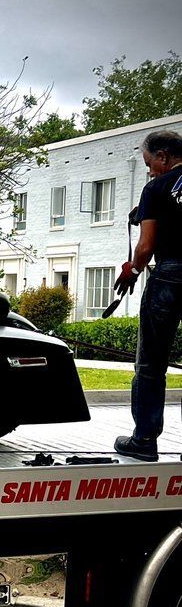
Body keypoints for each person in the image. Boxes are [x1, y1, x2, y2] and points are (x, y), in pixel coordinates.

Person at [114, 130, 182, 462]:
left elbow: (147, 244)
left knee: (151, 363)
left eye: (150, 163)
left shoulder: (155, 188)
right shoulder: (156, 191)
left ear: (164, 156)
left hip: (171, 274)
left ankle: (143, 440)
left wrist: (134, 269)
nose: (150, 170)